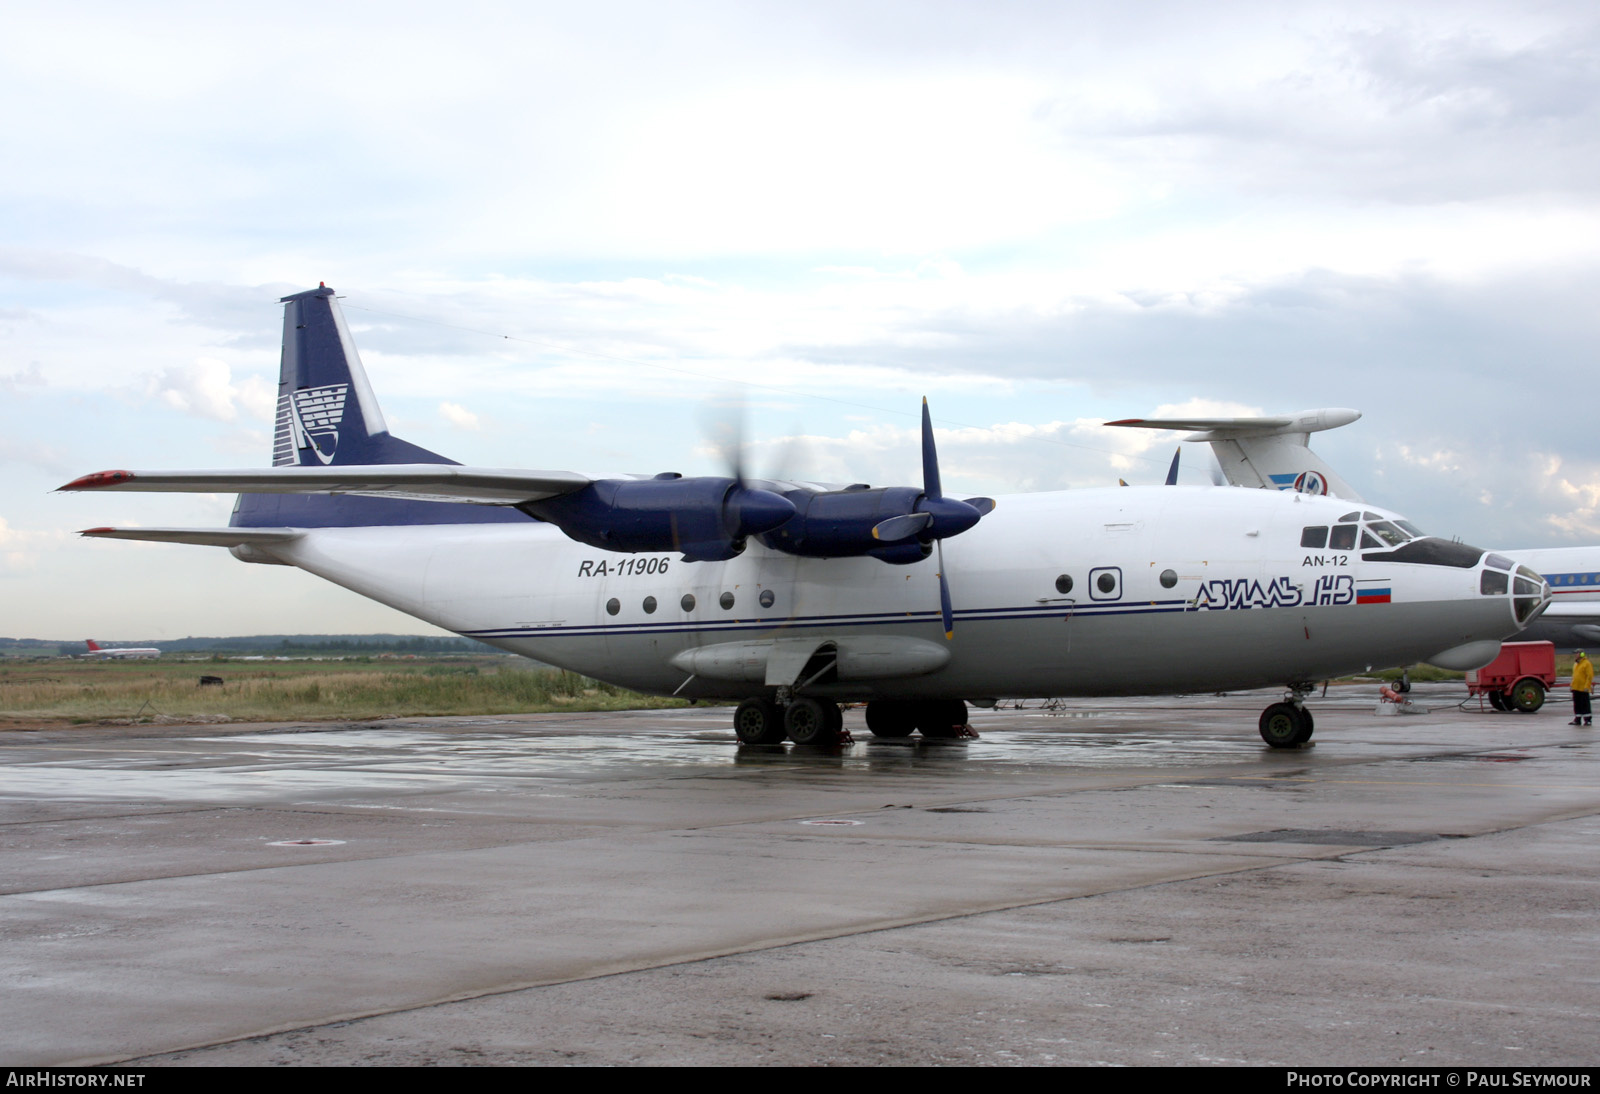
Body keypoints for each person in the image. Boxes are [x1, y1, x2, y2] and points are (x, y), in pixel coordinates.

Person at [1570, 650, 1593, 726]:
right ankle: (1577, 719)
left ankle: (1588, 720)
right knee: (1577, 704)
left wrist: (1587, 686)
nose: (1575, 655)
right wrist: (1572, 686)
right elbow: (1574, 676)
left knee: (1585, 704)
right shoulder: (1576, 664)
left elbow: (1589, 676)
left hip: (1583, 688)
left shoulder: (1587, 663)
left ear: (1581, 654)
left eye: (1577, 653)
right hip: (1576, 688)